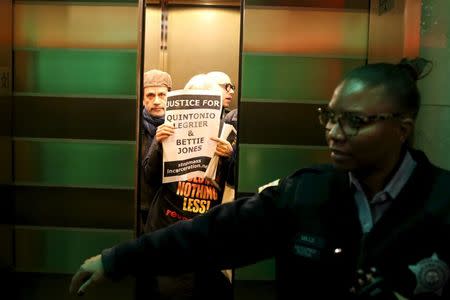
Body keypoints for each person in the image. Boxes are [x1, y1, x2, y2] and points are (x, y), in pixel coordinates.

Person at [70, 57, 450, 299]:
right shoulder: (307, 193)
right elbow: (215, 232)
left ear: (402, 129)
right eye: (329, 116)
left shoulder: (443, 203)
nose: (334, 132)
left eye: (355, 121)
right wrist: (116, 260)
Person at [140, 73, 235, 300]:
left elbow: (235, 182)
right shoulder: (168, 130)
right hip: (167, 227)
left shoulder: (228, 134)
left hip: (205, 233)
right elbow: (149, 177)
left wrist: (230, 156)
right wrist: (159, 143)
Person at [139, 69, 173, 233]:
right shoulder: (135, 128)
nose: (157, 101)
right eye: (150, 95)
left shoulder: (181, 126)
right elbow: (148, 174)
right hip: (142, 210)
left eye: (162, 95)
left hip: (171, 212)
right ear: (142, 99)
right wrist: (157, 142)